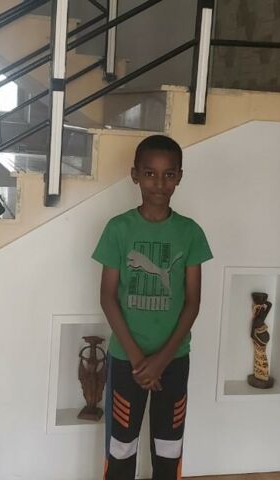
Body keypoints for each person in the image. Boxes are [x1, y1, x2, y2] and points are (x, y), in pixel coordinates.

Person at [92, 135, 213, 480]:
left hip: (173, 361)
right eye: (150, 174)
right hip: (125, 360)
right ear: (135, 175)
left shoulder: (190, 233)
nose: (159, 183)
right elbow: (107, 297)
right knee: (121, 447)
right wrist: (137, 359)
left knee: (168, 447)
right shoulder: (118, 229)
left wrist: (160, 361)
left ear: (179, 177)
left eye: (168, 174)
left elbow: (193, 302)